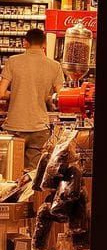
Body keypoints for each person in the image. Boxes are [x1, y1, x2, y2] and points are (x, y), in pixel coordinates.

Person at [0, 30, 63, 176]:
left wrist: (14, 93)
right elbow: (60, 97)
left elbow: (1, 93)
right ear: (45, 44)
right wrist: (45, 95)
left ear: (25, 43)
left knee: (10, 174)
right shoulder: (55, 66)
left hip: (14, 126)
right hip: (39, 127)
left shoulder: (13, 61)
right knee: (32, 176)